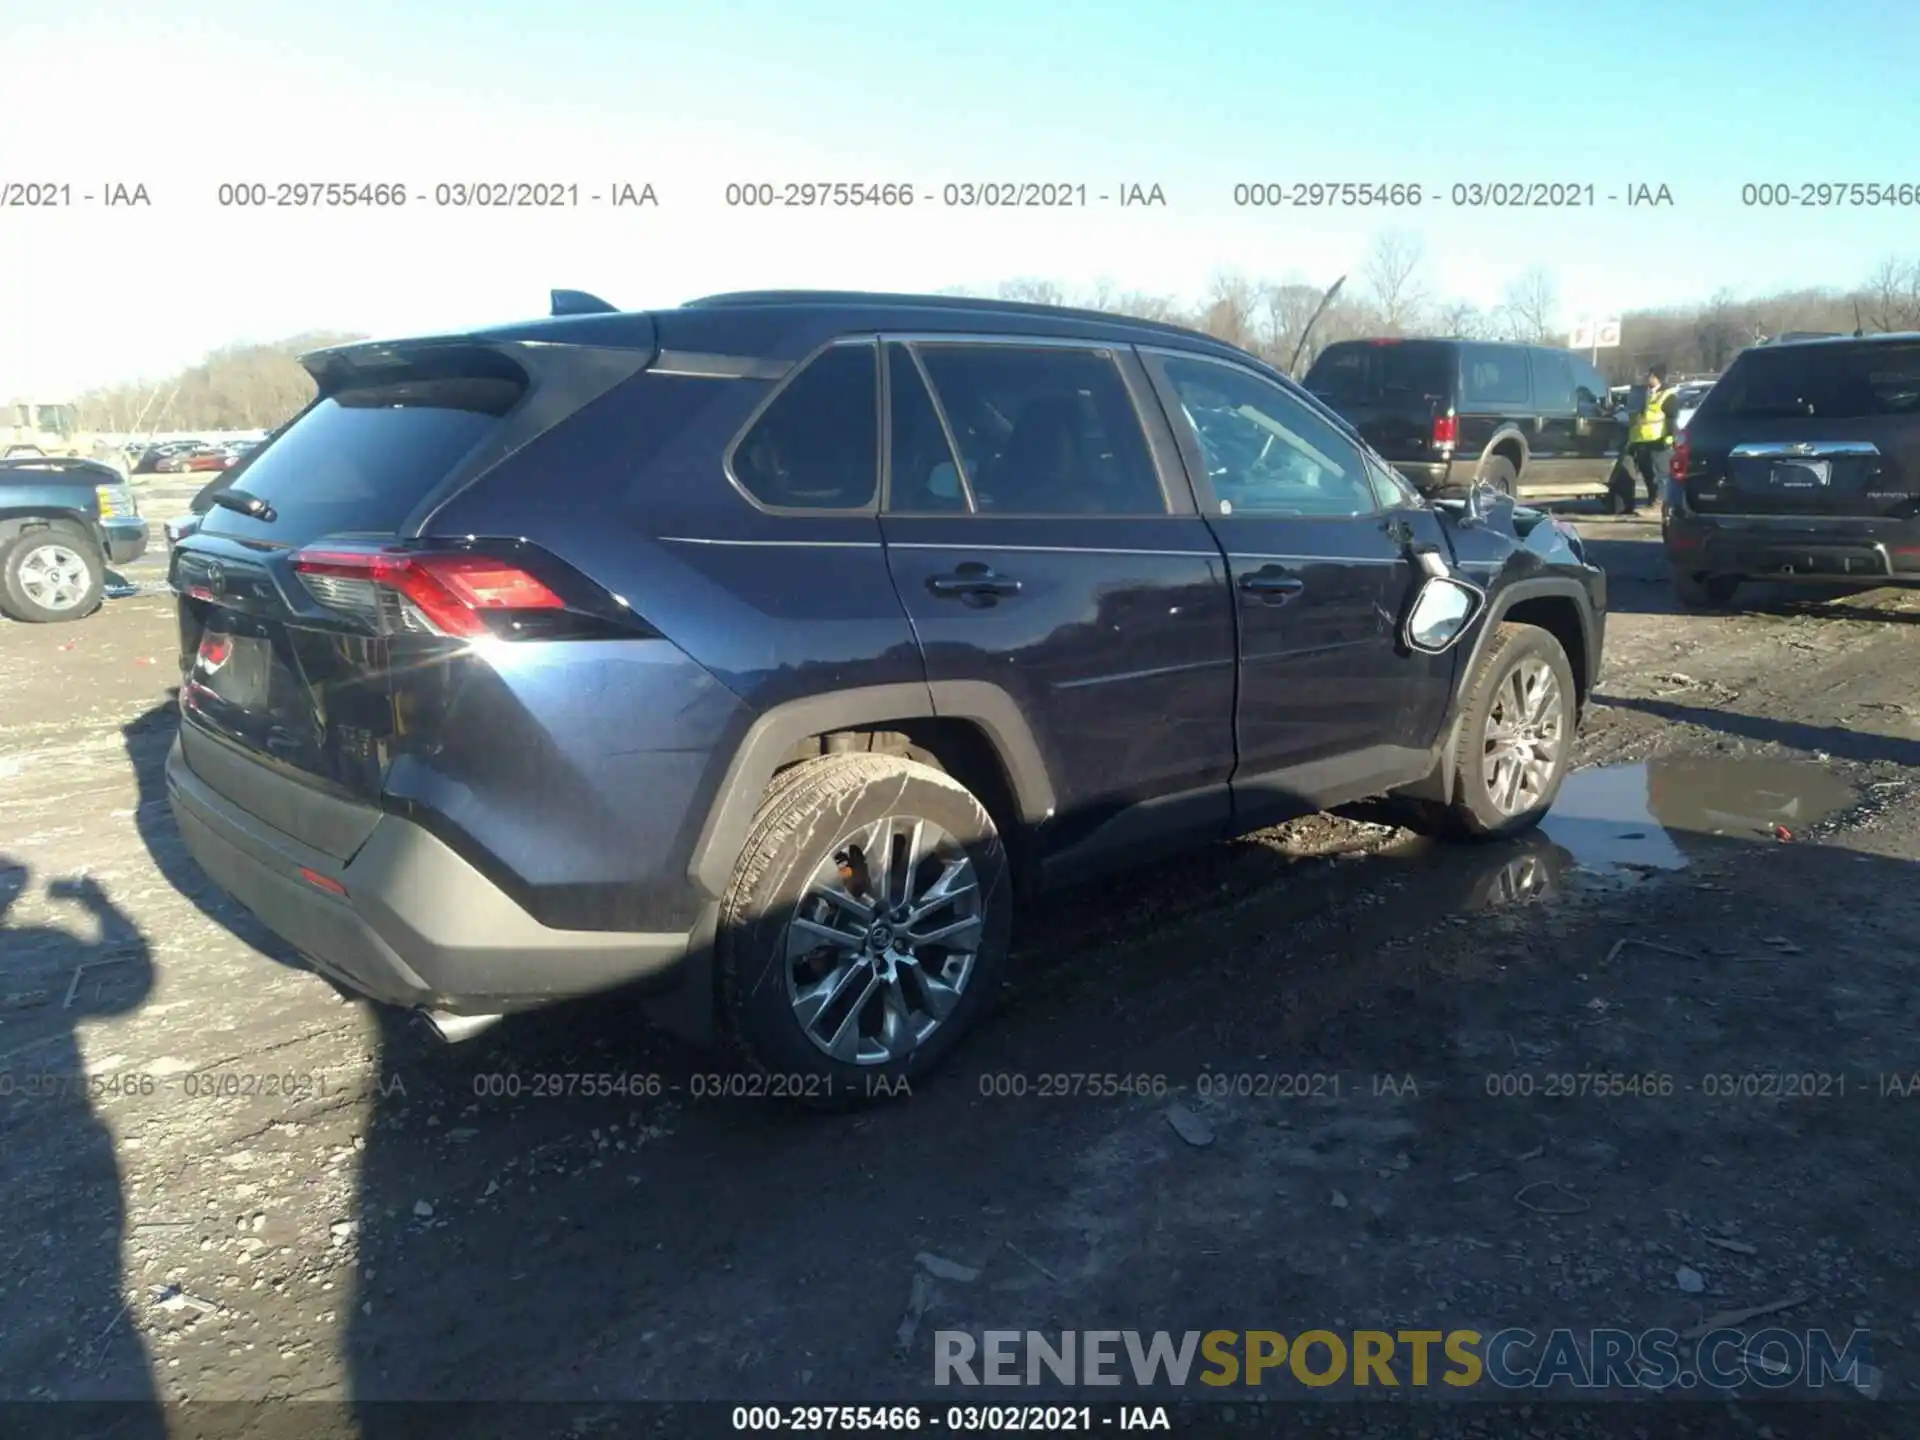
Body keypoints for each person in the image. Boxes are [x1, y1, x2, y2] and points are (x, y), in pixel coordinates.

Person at [1613, 367, 1678, 514]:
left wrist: (1668, 437)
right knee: (1647, 473)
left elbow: (1671, 418)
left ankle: (1661, 504)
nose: (1648, 378)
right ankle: (1652, 501)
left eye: (1651, 376)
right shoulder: (1644, 393)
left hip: (1659, 440)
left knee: (1660, 474)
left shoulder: (1667, 395)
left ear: (1658, 378)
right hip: (1641, 440)